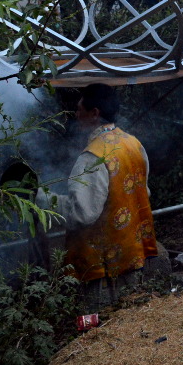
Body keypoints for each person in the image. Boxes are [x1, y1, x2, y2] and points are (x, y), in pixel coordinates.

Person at [39, 84, 158, 299]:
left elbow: (82, 214)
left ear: (94, 113)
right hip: (131, 249)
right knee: (130, 311)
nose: (76, 114)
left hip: (101, 262)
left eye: (79, 109)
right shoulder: (133, 143)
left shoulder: (92, 157)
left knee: (100, 319)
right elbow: (143, 192)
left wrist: (40, 198)